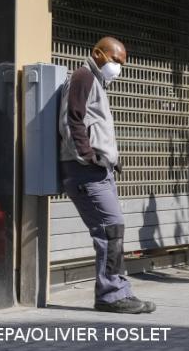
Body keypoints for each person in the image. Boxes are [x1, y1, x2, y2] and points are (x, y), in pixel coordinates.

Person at [58, 37, 156, 313]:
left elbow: (95, 127)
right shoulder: (83, 77)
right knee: (109, 230)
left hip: (98, 171)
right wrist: (89, 157)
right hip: (85, 171)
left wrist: (111, 160)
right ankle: (111, 295)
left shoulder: (96, 82)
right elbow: (71, 120)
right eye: (115, 60)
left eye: (121, 62)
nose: (118, 67)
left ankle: (117, 290)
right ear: (98, 53)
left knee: (113, 230)